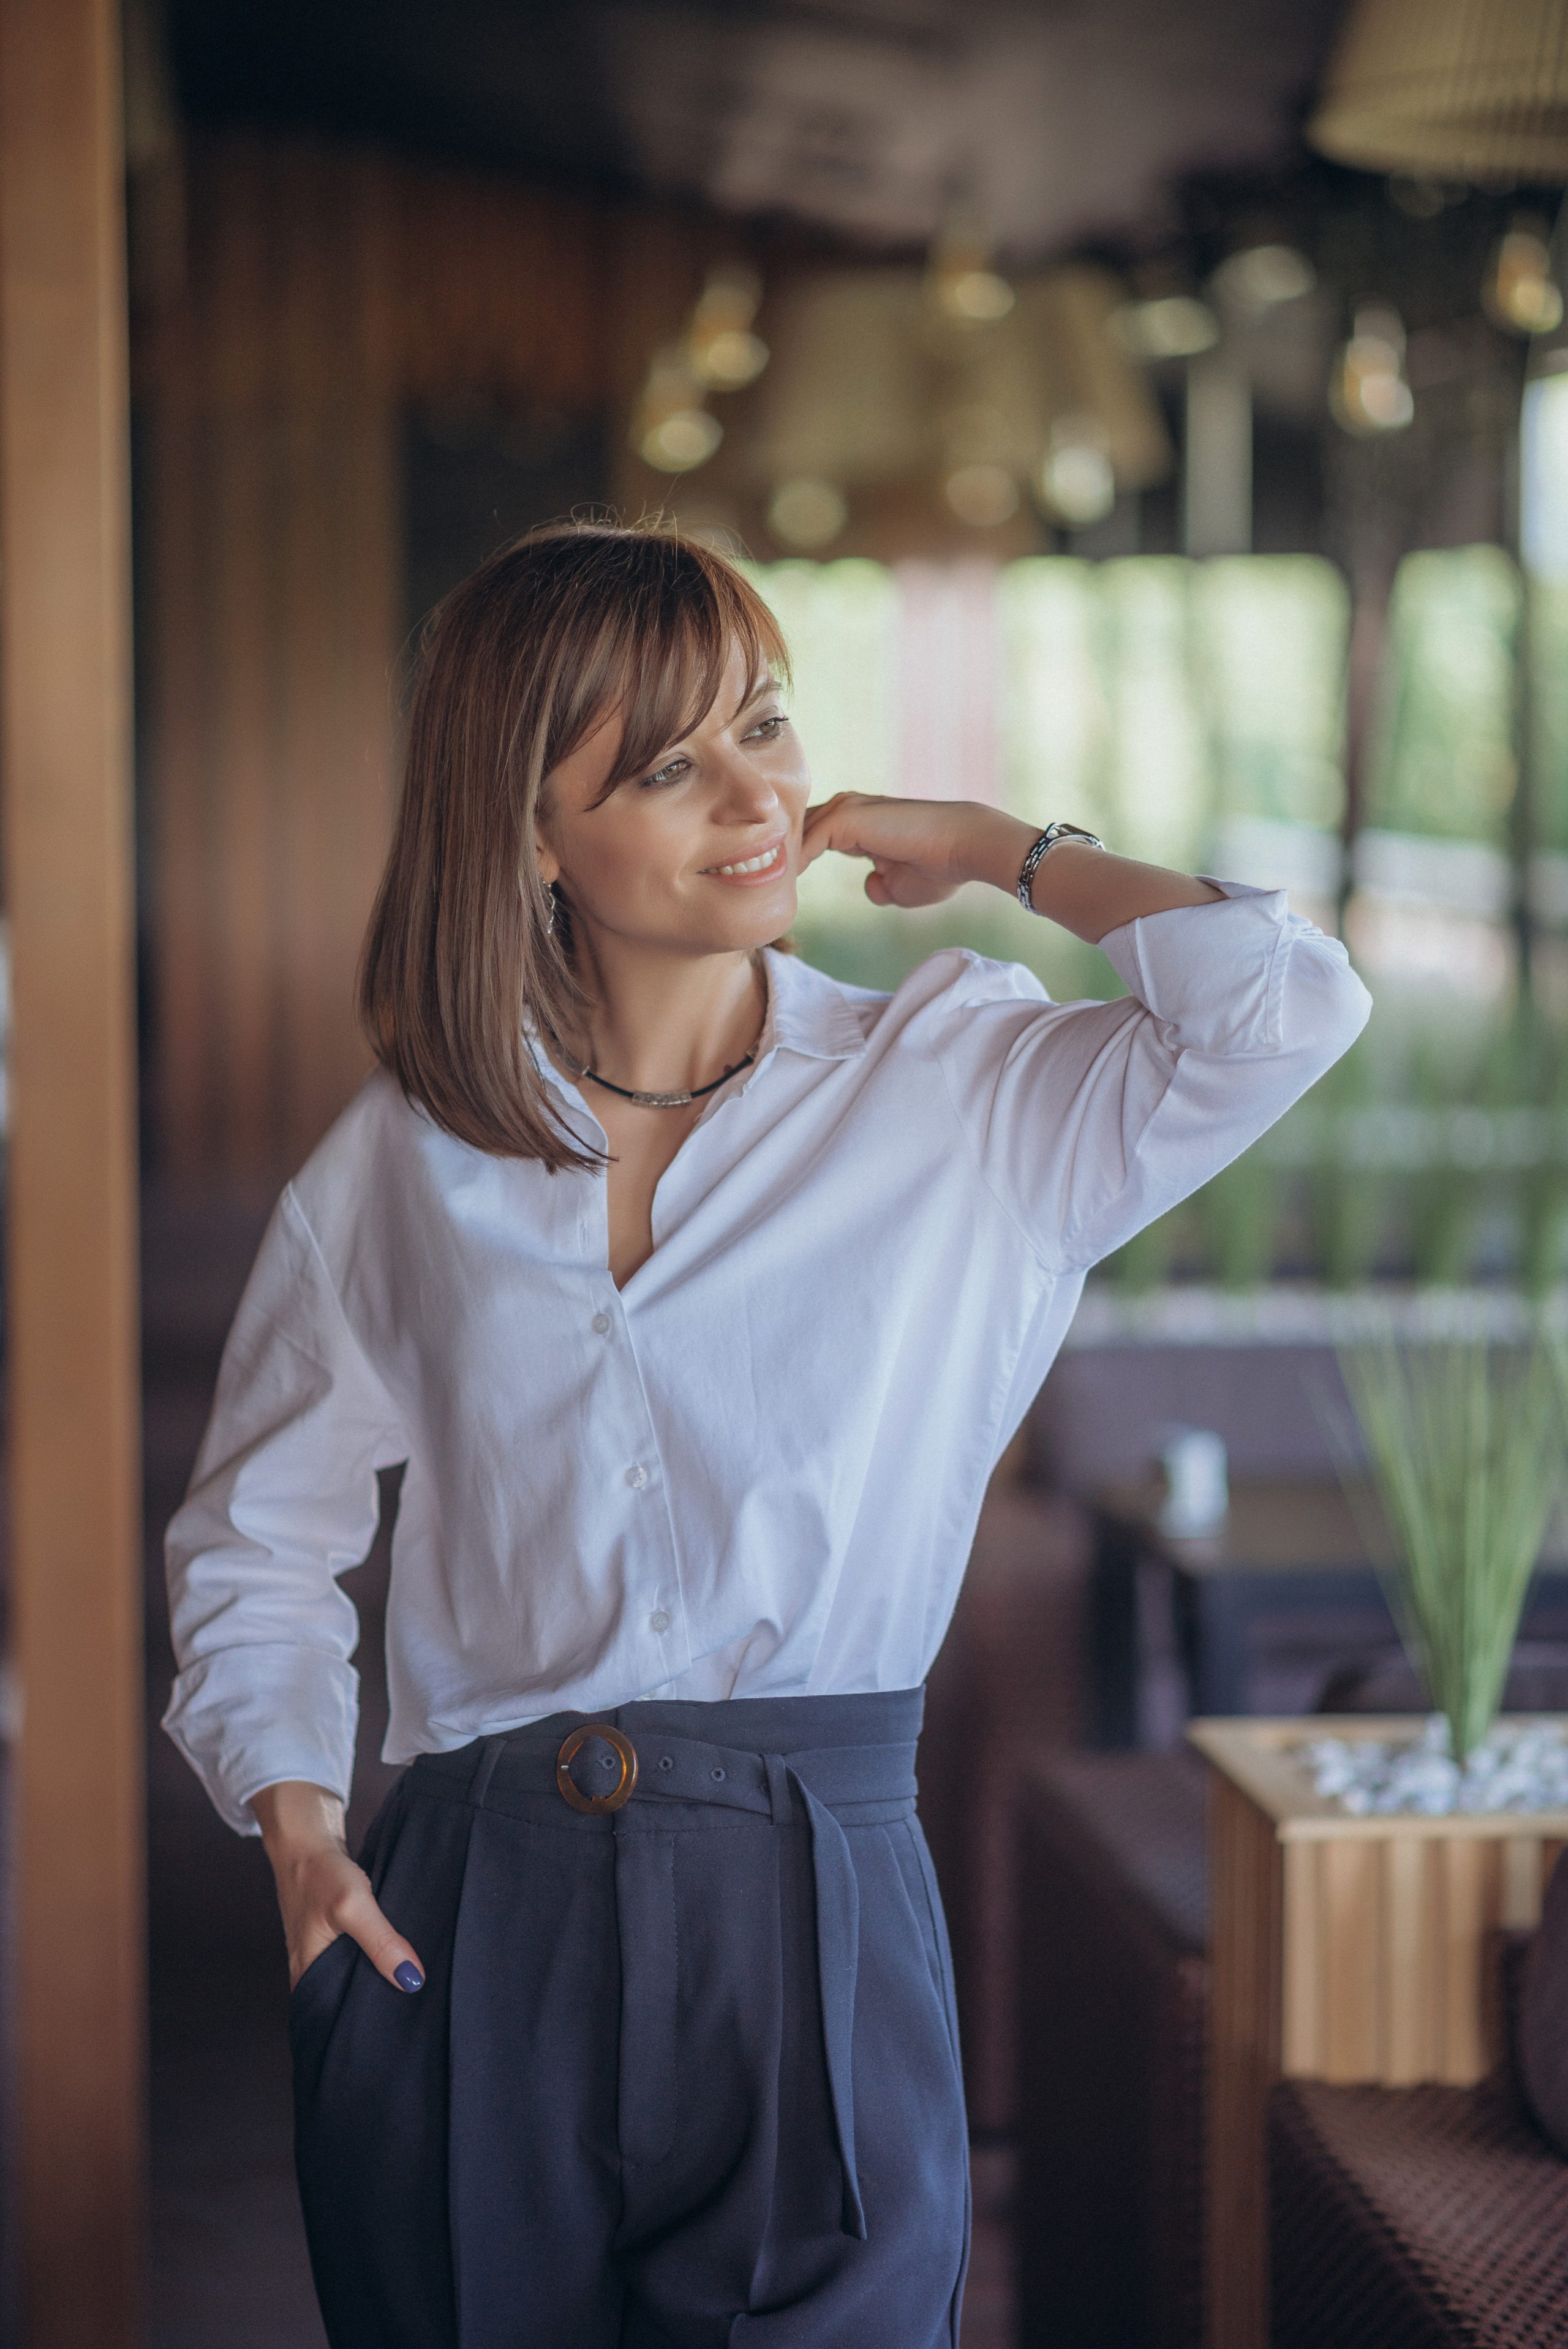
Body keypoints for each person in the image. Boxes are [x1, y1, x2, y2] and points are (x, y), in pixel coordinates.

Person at [163, 520, 1370, 2348]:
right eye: (669, 763)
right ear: (530, 831)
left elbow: (1279, 1007)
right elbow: (257, 1540)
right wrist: (301, 1834)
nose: (757, 795)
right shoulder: (405, 1161)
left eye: (767, 725)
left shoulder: (956, 1086)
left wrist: (992, 850)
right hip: (473, 1919)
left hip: (814, 1888)